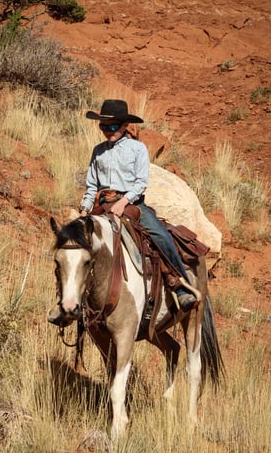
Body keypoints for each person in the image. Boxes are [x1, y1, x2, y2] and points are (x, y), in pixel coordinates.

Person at [79, 99, 198, 311]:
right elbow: (91, 186)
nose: (108, 131)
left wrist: (124, 201)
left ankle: (180, 286)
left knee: (161, 235)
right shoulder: (98, 151)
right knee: (77, 242)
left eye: (113, 126)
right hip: (103, 204)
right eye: (103, 126)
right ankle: (74, 299)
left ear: (125, 125)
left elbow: (141, 183)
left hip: (133, 204)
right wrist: (84, 208)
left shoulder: (137, 149)